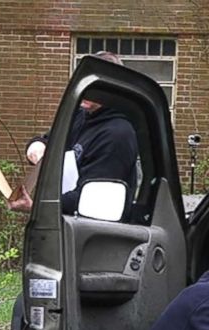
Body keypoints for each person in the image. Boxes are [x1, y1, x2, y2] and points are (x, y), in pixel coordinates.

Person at [7, 50, 138, 216]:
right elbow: (50, 140)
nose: (85, 90)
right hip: (67, 224)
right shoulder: (80, 116)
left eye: (94, 85)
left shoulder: (117, 134)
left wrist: (37, 207)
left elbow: (93, 199)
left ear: (111, 88)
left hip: (93, 233)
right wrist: (37, 147)